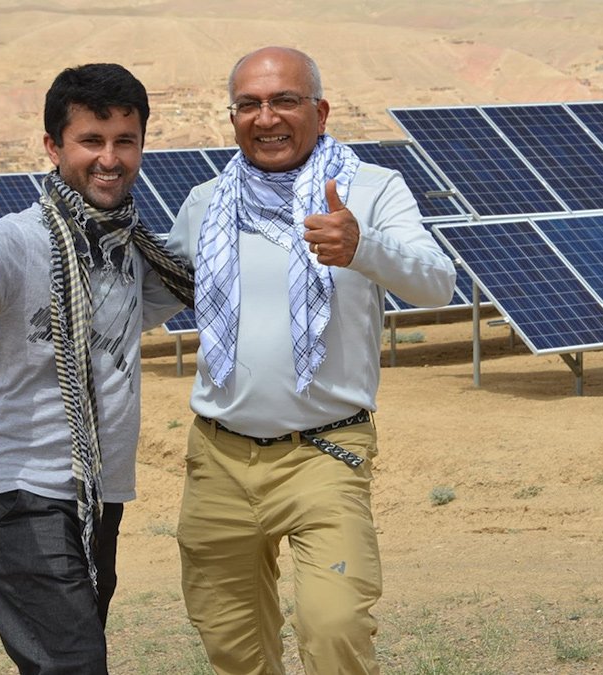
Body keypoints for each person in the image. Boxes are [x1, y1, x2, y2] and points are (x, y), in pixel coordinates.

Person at [165, 46, 456, 674]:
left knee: (335, 626)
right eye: (249, 104)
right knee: (230, 641)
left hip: (325, 452)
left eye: (284, 101)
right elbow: (142, 302)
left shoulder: (372, 191)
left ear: (320, 112)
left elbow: (437, 283)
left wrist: (361, 245)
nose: (265, 117)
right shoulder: (205, 204)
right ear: (234, 116)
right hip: (217, 457)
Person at [0, 62, 192, 674]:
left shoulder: (134, 250)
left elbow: (208, 282)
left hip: (96, 494)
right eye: (91, 140)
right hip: (18, 491)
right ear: (53, 146)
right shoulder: (19, 239)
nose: (109, 158)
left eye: (125, 140)